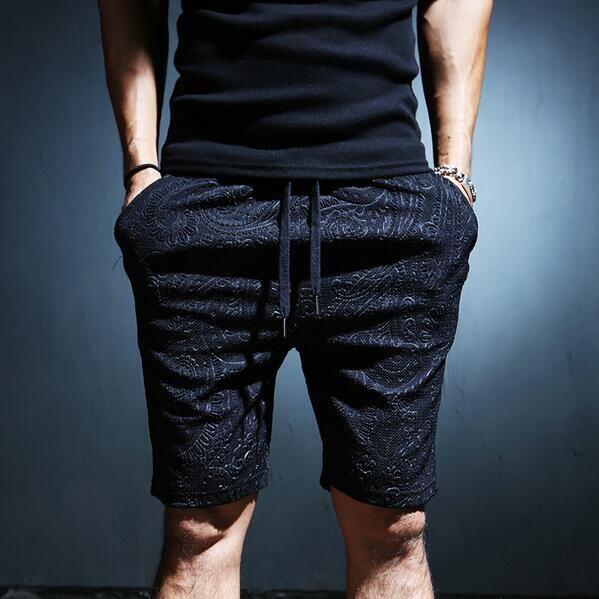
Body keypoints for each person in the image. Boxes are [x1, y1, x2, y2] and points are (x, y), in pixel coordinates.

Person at [98, 0, 492, 596]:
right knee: (200, 531)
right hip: (207, 206)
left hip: (387, 207)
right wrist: (141, 171)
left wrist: (454, 177)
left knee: (393, 531)